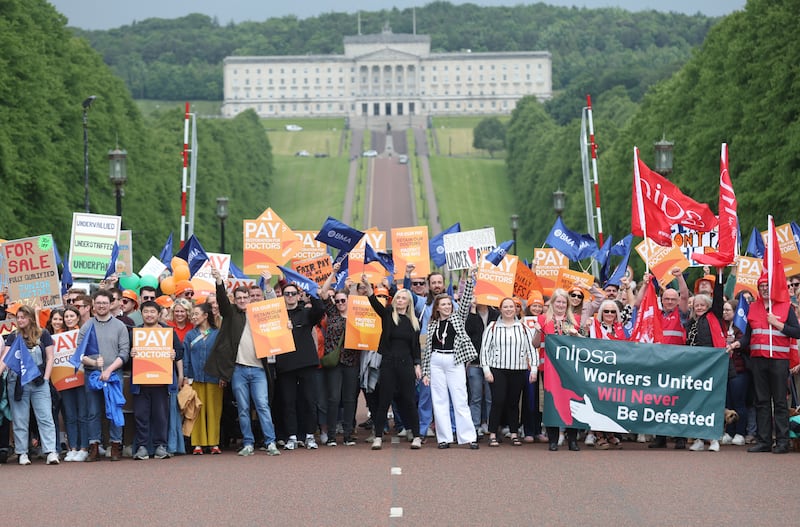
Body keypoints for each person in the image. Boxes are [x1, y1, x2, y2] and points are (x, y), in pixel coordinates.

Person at [204, 268, 280, 457]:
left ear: (250, 298)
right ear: (235, 300)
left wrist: (269, 284)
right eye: (238, 298)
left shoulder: (260, 314)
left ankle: (270, 442)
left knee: (262, 405)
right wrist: (219, 282)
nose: (242, 301)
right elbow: (222, 302)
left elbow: (276, 312)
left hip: (259, 369)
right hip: (238, 370)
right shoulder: (231, 315)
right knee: (244, 408)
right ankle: (248, 443)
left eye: (245, 298)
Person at [729, 273, 800, 454]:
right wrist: (737, 344)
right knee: (761, 401)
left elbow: (797, 332)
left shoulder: (785, 307)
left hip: (778, 360)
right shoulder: (753, 307)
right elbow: (748, 336)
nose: (764, 289)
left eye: (767, 286)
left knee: (780, 402)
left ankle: (782, 441)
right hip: (758, 360)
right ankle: (764, 440)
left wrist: (777, 324)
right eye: (761, 286)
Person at [362, 276, 423, 450]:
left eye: (404, 298)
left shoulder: (413, 322)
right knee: (384, 400)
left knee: (409, 401)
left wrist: (417, 364)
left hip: (406, 364)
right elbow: (375, 304)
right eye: (398, 298)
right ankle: (378, 437)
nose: (400, 300)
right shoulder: (388, 314)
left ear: (408, 302)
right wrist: (368, 287)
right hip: (388, 363)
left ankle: (416, 436)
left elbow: (416, 347)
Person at [422, 268, 479, 449]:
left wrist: (470, 279)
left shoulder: (458, 318)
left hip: (455, 361)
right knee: (439, 400)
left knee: (460, 399)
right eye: (443, 304)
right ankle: (444, 438)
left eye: (449, 304)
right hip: (436, 362)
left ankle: (468, 437)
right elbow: (427, 350)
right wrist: (426, 372)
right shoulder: (432, 325)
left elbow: (466, 300)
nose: (447, 307)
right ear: (437, 307)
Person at [0, 305, 60, 465]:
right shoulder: (13, 337)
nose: (19, 320)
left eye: (23, 317)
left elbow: (50, 357)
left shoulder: (44, 334)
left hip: (39, 382)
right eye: (18, 317)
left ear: (31, 318)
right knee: (20, 419)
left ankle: (51, 451)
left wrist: (46, 378)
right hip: (18, 382)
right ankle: (22, 453)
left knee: (45, 417)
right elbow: (5, 358)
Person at [77, 289, 130, 461]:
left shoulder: (120, 326)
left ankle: (115, 445)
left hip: (114, 375)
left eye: (105, 303)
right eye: (98, 303)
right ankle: (94, 445)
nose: (101, 306)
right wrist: (93, 363)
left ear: (111, 304)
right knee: (92, 411)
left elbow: (124, 353)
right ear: (93, 304)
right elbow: (79, 354)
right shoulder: (87, 326)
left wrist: (109, 370)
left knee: (115, 409)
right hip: (92, 375)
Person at [275, 282, 326, 450]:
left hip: (306, 363)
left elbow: (319, 310)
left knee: (309, 400)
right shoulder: (277, 315)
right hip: (285, 364)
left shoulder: (306, 313)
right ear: (282, 297)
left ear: (298, 295)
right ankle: (292, 436)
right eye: (286, 294)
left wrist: (314, 293)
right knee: (288, 402)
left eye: (292, 293)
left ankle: (310, 435)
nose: (290, 296)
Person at [481, 297, 538, 447]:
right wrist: (486, 370)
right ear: (500, 309)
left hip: (518, 369)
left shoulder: (524, 328)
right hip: (498, 369)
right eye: (505, 307)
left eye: (511, 307)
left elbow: (531, 349)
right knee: (498, 401)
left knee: (513, 403)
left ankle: (514, 433)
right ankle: (493, 433)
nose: (508, 309)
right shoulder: (493, 327)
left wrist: (534, 368)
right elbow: (485, 350)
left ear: (516, 309)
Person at [131, 301, 183, 460]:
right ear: (141, 313)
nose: (149, 315)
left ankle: (161, 445)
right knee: (141, 416)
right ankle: (142, 447)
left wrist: (174, 357)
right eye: (146, 311)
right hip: (140, 383)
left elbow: (180, 352)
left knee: (161, 416)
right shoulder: (136, 332)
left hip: (162, 383)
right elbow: (126, 357)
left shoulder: (168, 331)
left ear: (158, 314)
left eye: (152, 312)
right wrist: (131, 354)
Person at [319, 263, 360, 446]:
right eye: (338, 301)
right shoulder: (333, 314)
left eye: (344, 300)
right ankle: (332, 435)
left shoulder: (357, 314)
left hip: (352, 361)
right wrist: (333, 273)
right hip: (335, 362)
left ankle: (349, 434)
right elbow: (322, 292)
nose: (341, 303)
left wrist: (354, 288)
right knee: (334, 398)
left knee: (350, 398)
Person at [685, 277, 726, 452]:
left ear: (708, 306)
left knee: (712, 402)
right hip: (695, 368)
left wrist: (720, 275)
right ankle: (700, 438)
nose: (699, 307)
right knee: (697, 402)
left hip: (713, 366)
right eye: (697, 305)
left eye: (702, 305)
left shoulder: (713, 316)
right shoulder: (691, 322)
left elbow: (718, 297)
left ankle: (714, 438)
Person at [537, 288, 581, 451]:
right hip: (548, 367)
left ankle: (572, 440)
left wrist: (577, 335)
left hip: (569, 368)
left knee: (571, 402)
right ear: (553, 303)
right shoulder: (543, 319)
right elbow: (536, 344)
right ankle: (553, 439)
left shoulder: (573, 319)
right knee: (551, 402)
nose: (561, 305)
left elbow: (584, 341)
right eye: (558, 302)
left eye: (564, 302)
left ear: (567, 304)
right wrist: (536, 330)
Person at [184, 303, 223, 454]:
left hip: (214, 377)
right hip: (195, 377)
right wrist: (186, 376)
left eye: (196, 314)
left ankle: (214, 443)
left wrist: (222, 375)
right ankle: (198, 444)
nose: (193, 317)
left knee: (214, 410)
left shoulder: (217, 333)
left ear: (206, 315)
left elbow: (222, 356)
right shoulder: (190, 335)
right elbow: (186, 356)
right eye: (192, 314)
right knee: (196, 410)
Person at [466, 300, 499, 441]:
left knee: (491, 397)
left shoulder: (496, 314)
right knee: (476, 396)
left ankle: (491, 426)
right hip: (475, 362)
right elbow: (470, 333)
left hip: (493, 362)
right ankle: (475, 426)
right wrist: (473, 310)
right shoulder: (469, 315)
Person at [721, 299, 748, 446]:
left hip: (739, 370)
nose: (724, 313)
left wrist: (735, 343)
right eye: (723, 310)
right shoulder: (722, 327)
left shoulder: (742, 328)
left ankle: (740, 432)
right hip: (724, 369)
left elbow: (746, 345)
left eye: (728, 310)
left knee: (739, 402)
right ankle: (729, 432)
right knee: (728, 402)